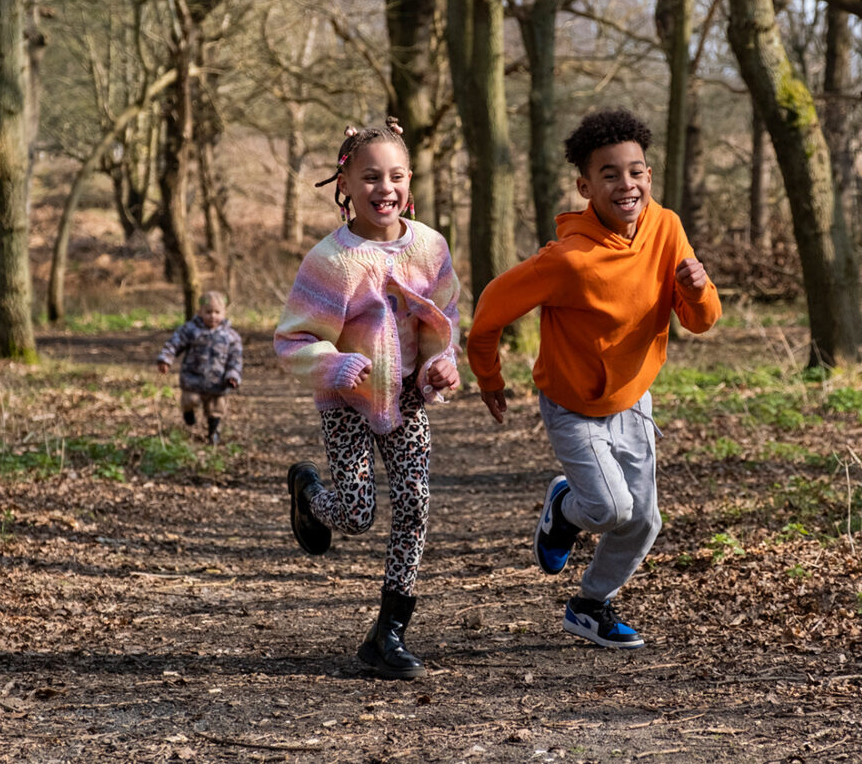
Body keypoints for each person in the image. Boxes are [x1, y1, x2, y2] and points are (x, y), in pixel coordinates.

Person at [466, 108, 721, 650]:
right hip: (572, 403)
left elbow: (701, 321)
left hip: (633, 399)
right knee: (609, 509)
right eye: (610, 174)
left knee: (644, 520)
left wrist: (698, 288)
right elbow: (489, 309)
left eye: (636, 171)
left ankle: (589, 605)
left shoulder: (667, 228)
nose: (626, 184)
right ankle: (563, 507)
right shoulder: (569, 260)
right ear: (585, 186)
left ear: (649, 175)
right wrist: (489, 376)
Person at [274, 118, 461, 680]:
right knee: (357, 514)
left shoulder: (429, 246)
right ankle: (309, 494)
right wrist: (334, 364)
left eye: (397, 176)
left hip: (407, 400)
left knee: (414, 506)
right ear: (345, 185)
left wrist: (439, 364)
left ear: (410, 182)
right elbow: (293, 338)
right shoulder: (332, 260)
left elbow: (443, 317)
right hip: (348, 400)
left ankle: (389, 633)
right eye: (371, 177)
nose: (386, 188)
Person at [156, 290, 243, 445]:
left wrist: (232, 376)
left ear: (224, 313)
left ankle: (213, 432)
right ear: (199, 312)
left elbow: (235, 359)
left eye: (217, 312)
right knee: (190, 399)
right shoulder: (191, 330)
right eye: (208, 312)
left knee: (216, 408)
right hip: (192, 378)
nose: (213, 316)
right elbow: (174, 343)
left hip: (218, 380)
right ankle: (188, 412)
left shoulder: (231, 336)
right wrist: (166, 359)